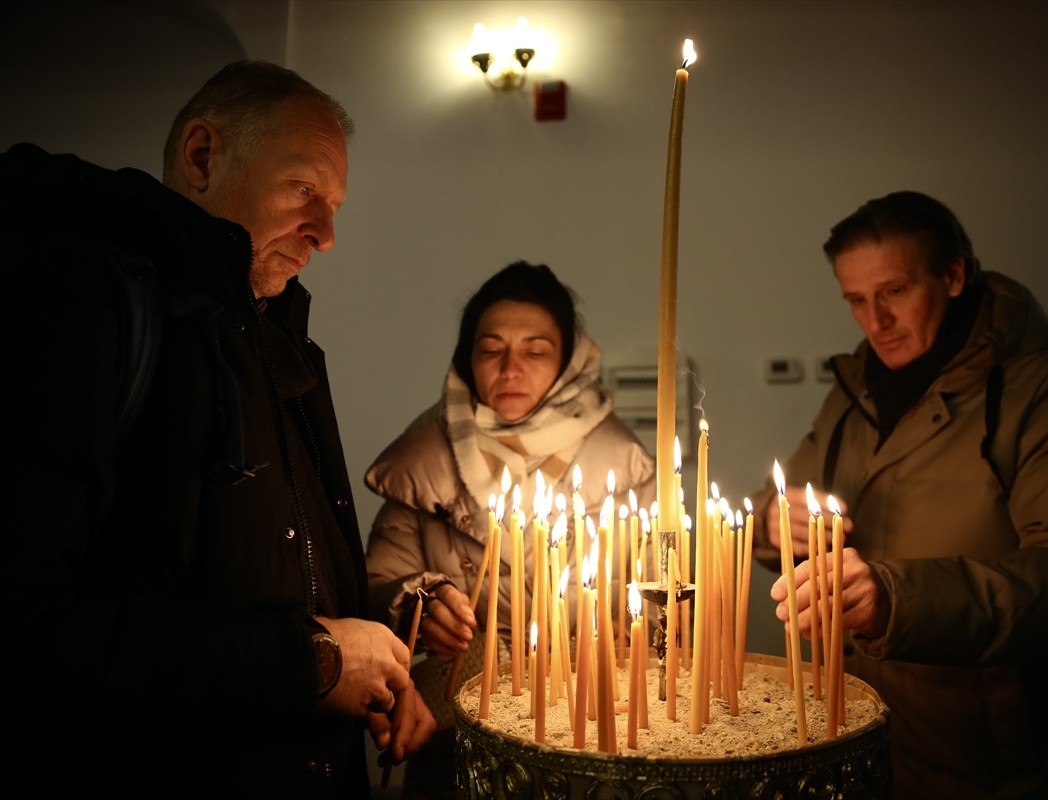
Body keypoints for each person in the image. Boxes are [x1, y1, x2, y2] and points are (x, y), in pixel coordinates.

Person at [0, 61, 434, 798]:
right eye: (304, 189)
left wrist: (374, 669)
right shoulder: (81, 307)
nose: (326, 235)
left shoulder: (268, 337)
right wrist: (314, 661)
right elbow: (31, 631)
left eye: (334, 205)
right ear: (204, 156)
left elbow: (287, 568)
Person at [751, 191, 1048, 799]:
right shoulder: (857, 389)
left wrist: (899, 599)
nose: (874, 322)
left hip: (994, 762)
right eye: (856, 300)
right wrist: (774, 524)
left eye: (894, 292)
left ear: (955, 274)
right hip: (860, 736)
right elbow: (787, 497)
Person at [363, 260, 656, 799]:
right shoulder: (422, 464)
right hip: (457, 726)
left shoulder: (623, 468)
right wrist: (419, 604)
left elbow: (663, 590)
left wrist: (626, 617)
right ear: (466, 359)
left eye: (535, 351)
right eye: (491, 349)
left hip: (591, 728)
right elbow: (379, 583)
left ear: (568, 362)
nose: (510, 368)